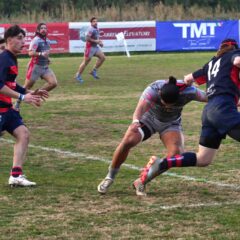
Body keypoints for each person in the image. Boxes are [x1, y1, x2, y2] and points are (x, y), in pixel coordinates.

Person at [136, 38, 240, 196]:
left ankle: (163, 163)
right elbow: (238, 61)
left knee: (203, 159)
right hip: (223, 108)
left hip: (209, 111)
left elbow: (187, 79)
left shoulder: (211, 63)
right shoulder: (234, 54)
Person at [97, 76, 207, 195]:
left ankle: (141, 181)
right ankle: (110, 177)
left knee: (176, 154)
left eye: (171, 105)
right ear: (160, 94)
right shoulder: (153, 90)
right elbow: (139, 110)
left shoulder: (189, 91)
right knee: (128, 141)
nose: (167, 107)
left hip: (170, 123)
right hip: (148, 119)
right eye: (165, 104)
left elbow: (208, 97)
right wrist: (135, 122)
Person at [0, 25, 49, 187]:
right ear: (9, 40)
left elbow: (11, 84)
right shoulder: (4, 58)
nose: (23, 42)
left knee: (23, 134)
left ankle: (16, 175)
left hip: (7, 110)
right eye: (19, 39)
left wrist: (30, 92)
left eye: (24, 38)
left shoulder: (11, 58)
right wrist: (22, 97)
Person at [15, 23, 57, 110]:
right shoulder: (36, 40)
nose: (44, 29)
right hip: (35, 67)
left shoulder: (47, 40)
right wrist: (41, 54)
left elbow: (46, 53)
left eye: (45, 28)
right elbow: (30, 53)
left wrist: (47, 59)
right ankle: (17, 103)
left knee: (53, 83)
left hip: (45, 67)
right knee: (26, 87)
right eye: (41, 28)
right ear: (38, 30)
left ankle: (36, 95)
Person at [75, 17, 106, 83]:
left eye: (96, 21)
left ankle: (93, 71)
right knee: (85, 63)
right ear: (91, 23)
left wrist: (100, 43)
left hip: (95, 47)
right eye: (94, 21)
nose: (96, 22)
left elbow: (96, 38)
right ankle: (78, 75)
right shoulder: (91, 29)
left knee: (102, 57)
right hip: (89, 48)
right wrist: (97, 41)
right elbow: (87, 38)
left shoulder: (96, 28)